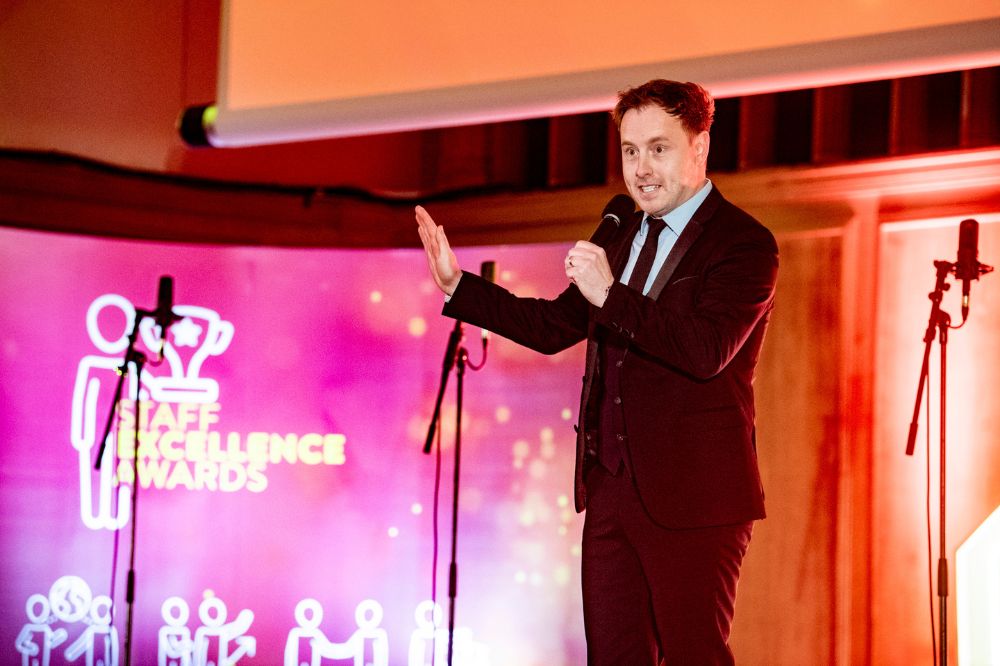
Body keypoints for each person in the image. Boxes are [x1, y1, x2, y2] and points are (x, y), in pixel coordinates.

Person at [416, 79, 778, 665]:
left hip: (695, 498)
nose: (641, 168)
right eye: (630, 151)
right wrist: (460, 286)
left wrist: (610, 294)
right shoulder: (623, 231)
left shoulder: (744, 244)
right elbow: (554, 326)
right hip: (610, 490)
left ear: (700, 147)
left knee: (695, 655)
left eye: (658, 148)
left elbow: (706, 349)